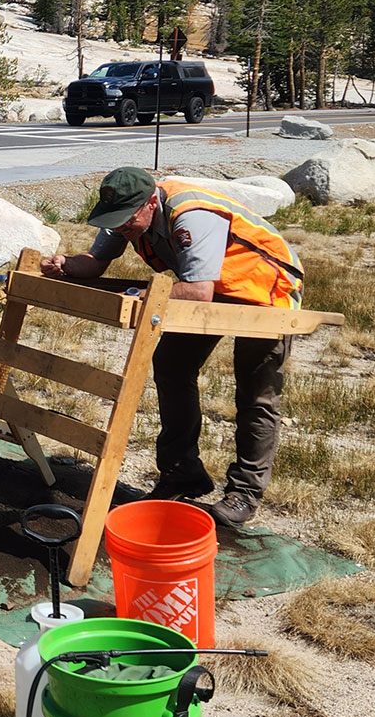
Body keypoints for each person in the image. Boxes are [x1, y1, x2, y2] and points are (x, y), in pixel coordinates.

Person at [41, 167, 303, 527]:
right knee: (172, 364)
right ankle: (183, 474)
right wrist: (66, 265)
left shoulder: (191, 215)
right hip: (211, 287)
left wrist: (140, 295)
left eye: (126, 221)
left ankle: (245, 491)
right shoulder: (123, 216)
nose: (120, 229)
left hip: (264, 290)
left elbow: (197, 293)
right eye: (114, 222)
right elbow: (96, 264)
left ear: (151, 203)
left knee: (255, 392)